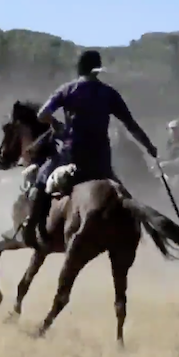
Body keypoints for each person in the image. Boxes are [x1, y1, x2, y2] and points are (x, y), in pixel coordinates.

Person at [28, 49, 158, 250]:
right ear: (97, 71)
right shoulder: (109, 93)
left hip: (72, 156)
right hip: (101, 161)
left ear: (79, 68)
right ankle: (134, 236)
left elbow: (42, 114)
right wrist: (149, 146)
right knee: (123, 196)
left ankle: (31, 229)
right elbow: (130, 124)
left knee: (41, 178)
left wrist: (55, 123)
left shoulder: (67, 89)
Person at [160, 119, 179, 193]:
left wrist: (167, 163)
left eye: (175, 129)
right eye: (172, 129)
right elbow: (169, 157)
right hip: (171, 169)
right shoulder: (169, 143)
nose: (173, 132)